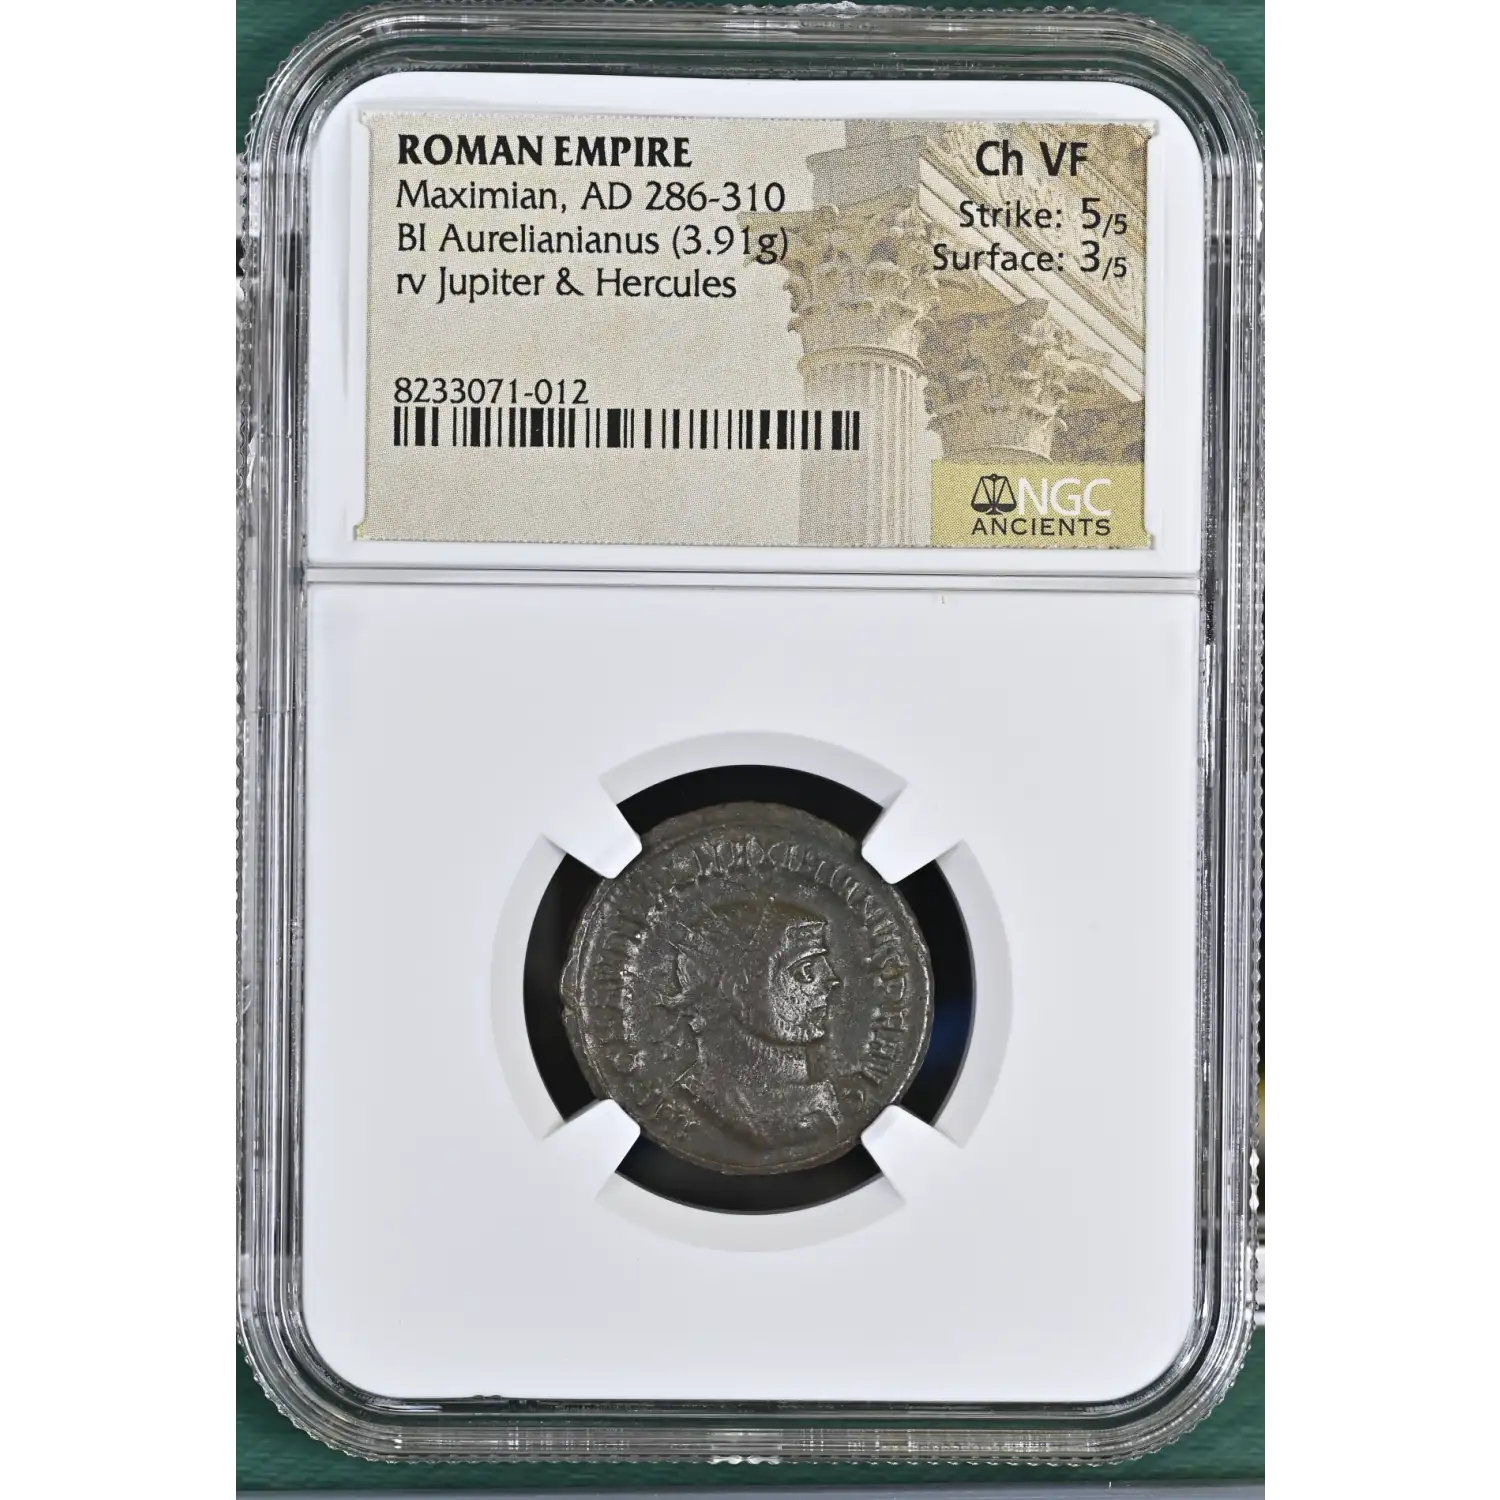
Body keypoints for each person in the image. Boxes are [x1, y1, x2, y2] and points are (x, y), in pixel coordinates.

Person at [665, 896, 844, 1154]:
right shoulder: (708, 1104)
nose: (832, 979)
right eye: (805, 968)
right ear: (737, 988)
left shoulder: (819, 1101)